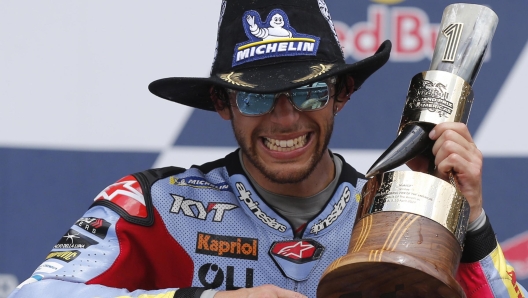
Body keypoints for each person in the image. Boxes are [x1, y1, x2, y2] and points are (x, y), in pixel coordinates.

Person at [9, 0, 526, 297]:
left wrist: (473, 221)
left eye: (308, 91)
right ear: (221, 103)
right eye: (256, 97)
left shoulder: (393, 217)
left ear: (341, 96)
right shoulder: (156, 205)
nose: (284, 117)